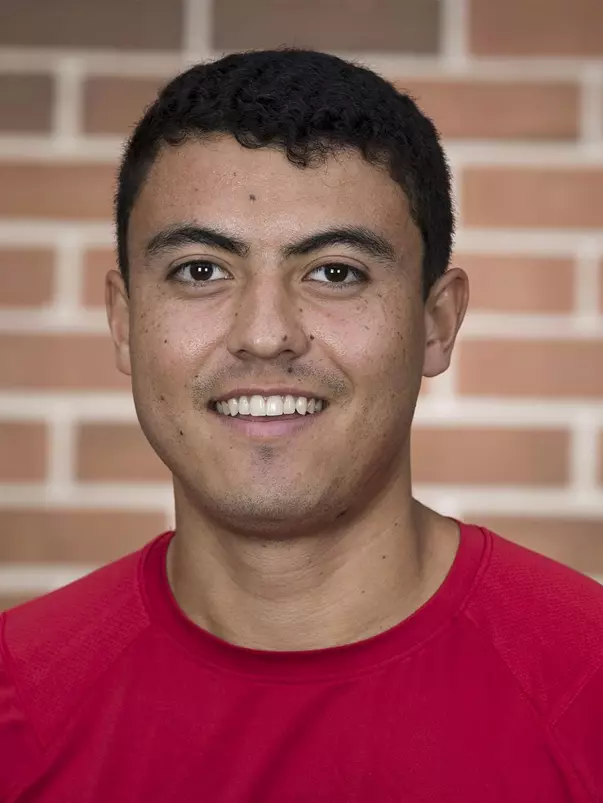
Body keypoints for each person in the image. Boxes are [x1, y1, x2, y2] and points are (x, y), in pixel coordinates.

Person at [1, 49, 602, 803]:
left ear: (435, 322)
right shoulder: (15, 703)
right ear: (124, 321)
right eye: (199, 270)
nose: (263, 333)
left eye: (335, 271)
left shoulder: (589, 688)